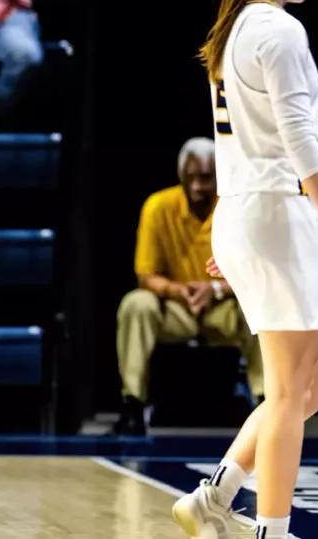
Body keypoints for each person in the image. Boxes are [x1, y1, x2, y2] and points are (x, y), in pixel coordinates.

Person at [170, 0, 318, 539]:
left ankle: (216, 495)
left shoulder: (233, 29)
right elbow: (301, 145)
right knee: (288, 394)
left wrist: (235, 237)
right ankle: (272, 532)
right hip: (276, 215)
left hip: (251, 214)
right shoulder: (278, 31)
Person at [114, 137, 263, 436]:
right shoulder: (158, 207)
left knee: (260, 305)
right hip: (177, 309)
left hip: (223, 307)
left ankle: (265, 404)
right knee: (136, 303)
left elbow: (256, 272)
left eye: (205, 178)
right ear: (181, 176)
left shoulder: (238, 207)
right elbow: (146, 276)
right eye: (190, 178)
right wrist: (178, 292)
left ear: (219, 176)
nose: (197, 187)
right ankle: (132, 404)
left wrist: (215, 289)